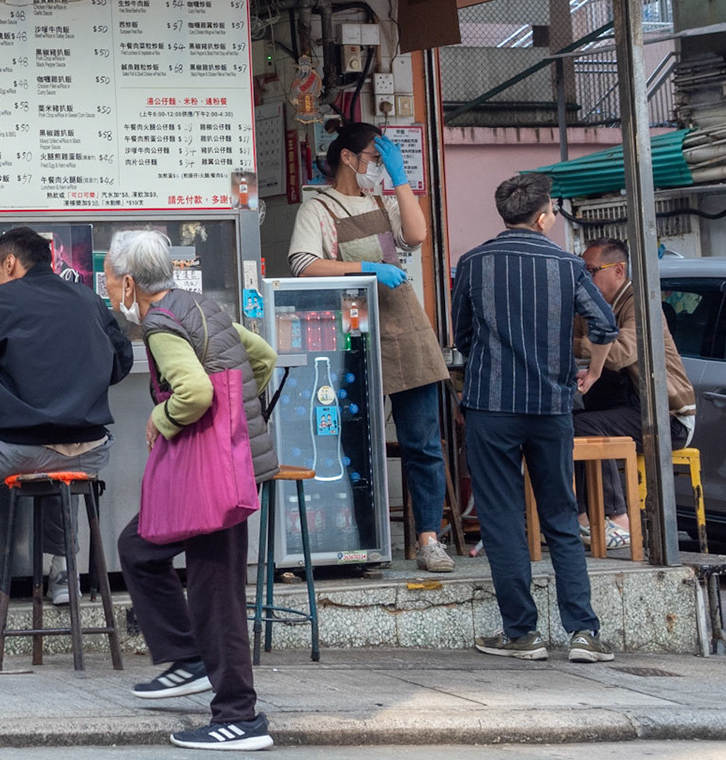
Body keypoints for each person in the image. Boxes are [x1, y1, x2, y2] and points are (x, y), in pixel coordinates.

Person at [113, 228, 278, 754]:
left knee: (216, 594)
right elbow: (263, 358)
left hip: (212, 475)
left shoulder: (160, 324)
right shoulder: (202, 306)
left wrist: (162, 418)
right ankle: (187, 659)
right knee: (139, 547)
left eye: (111, 279)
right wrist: (237, 419)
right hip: (226, 465)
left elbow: (197, 391)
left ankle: (239, 717)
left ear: (130, 283)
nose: (109, 288)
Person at [0, 225, 134, 612]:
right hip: (92, 450)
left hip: (21, 450)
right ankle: (64, 574)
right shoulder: (87, 298)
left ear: (10, 262)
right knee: (61, 468)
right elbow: (121, 363)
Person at [452, 172, 620, 662]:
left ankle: (522, 634)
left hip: (490, 406)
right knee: (561, 518)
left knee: (502, 519)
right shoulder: (567, 265)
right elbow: (604, 324)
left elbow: (462, 335)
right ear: (544, 217)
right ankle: (583, 632)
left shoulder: (473, 262)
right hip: (551, 406)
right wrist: (592, 371)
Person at [287, 122, 454, 572]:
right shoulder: (318, 207)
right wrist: (365, 269)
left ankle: (429, 539)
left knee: (423, 441)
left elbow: (416, 236)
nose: (378, 167)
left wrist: (400, 179)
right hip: (350, 334)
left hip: (404, 327)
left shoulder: (384, 200)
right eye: (375, 159)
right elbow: (303, 264)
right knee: (352, 442)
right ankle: (356, 538)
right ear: (347, 157)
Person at [573, 236, 696, 549]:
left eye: (591, 271)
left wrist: (578, 346)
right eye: (581, 272)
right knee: (564, 422)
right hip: (625, 406)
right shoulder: (589, 307)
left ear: (618, 270)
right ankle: (583, 518)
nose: (585, 278)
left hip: (666, 415)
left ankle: (619, 518)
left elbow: (617, 354)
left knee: (584, 426)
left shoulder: (641, 305)